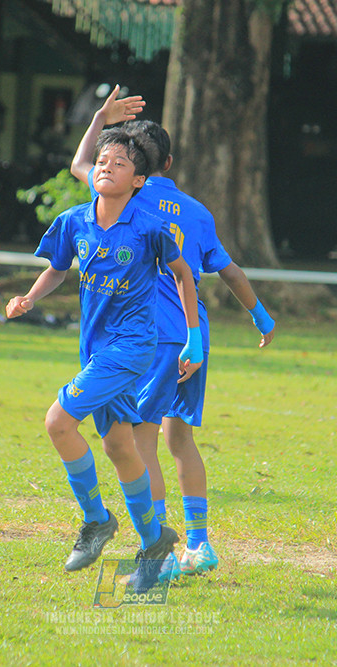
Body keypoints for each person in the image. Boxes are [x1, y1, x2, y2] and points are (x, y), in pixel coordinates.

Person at [69, 86, 277, 577]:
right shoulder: (197, 210)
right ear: (169, 161)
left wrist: (100, 119)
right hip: (192, 332)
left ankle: (158, 554)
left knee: (141, 444)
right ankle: (199, 545)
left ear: (136, 166)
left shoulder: (124, 196)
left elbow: (80, 163)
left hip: (151, 336)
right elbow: (229, 272)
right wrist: (260, 316)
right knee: (179, 437)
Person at [5, 127, 204, 591]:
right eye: (101, 161)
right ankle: (155, 544)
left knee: (58, 422)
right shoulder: (74, 221)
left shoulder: (150, 227)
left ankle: (96, 520)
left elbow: (183, 275)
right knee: (119, 447)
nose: (106, 168)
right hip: (95, 347)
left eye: (119, 163)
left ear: (138, 180)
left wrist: (193, 337)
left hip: (133, 346)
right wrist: (30, 297)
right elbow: (58, 268)